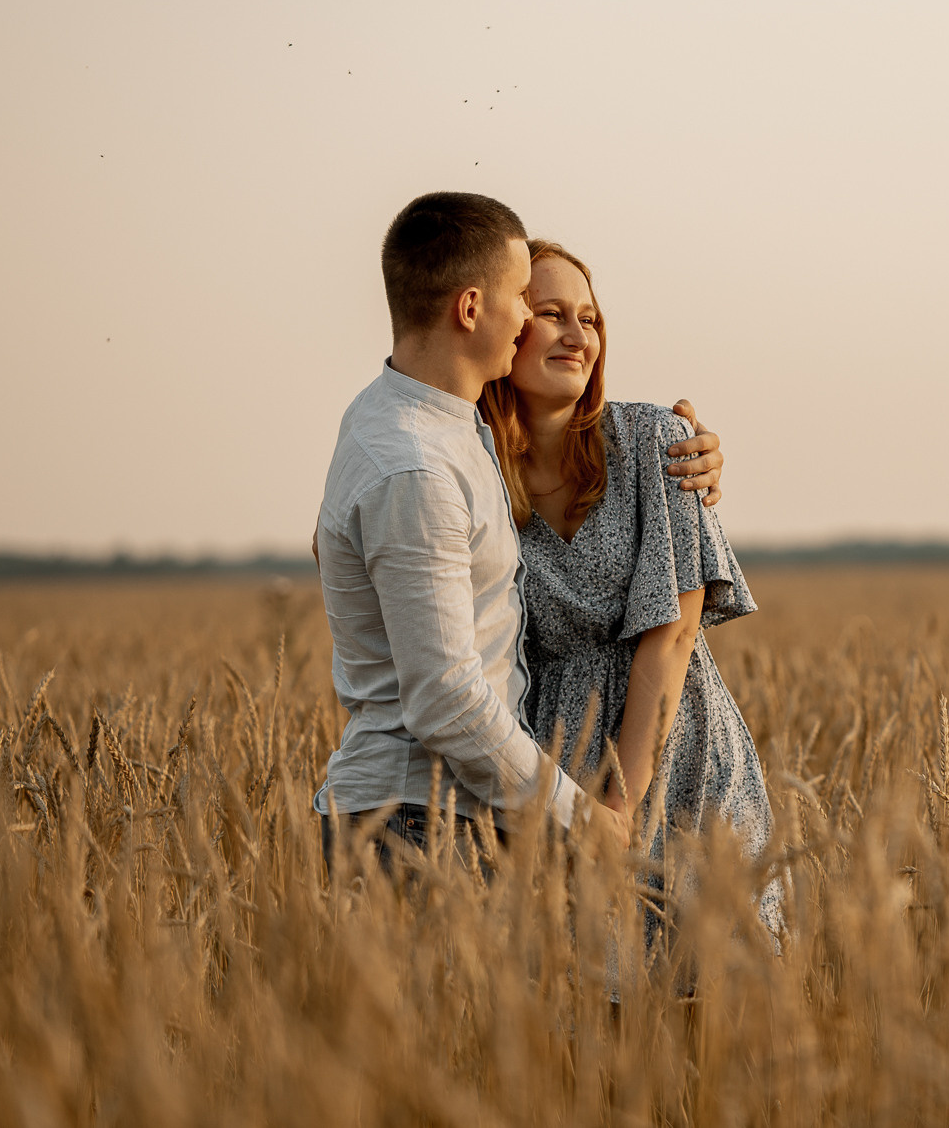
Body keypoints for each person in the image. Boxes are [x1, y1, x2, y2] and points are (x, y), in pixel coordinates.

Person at [313, 192, 727, 869]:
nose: (538, 323)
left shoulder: (439, 429)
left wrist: (692, 455)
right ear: (472, 308)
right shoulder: (418, 463)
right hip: (423, 819)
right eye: (529, 303)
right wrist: (583, 819)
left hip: (478, 811)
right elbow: (446, 697)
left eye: (587, 317)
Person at [479, 240, 781, 938]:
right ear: (505, 331)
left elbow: (673, 632)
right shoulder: (468, 471)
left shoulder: (656, 441)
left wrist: (619, 801)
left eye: (591, 318)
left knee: (711, 994)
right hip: (552, 766)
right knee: (580, 1014)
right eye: (551, 313)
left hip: (680, 754)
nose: (578, 333)